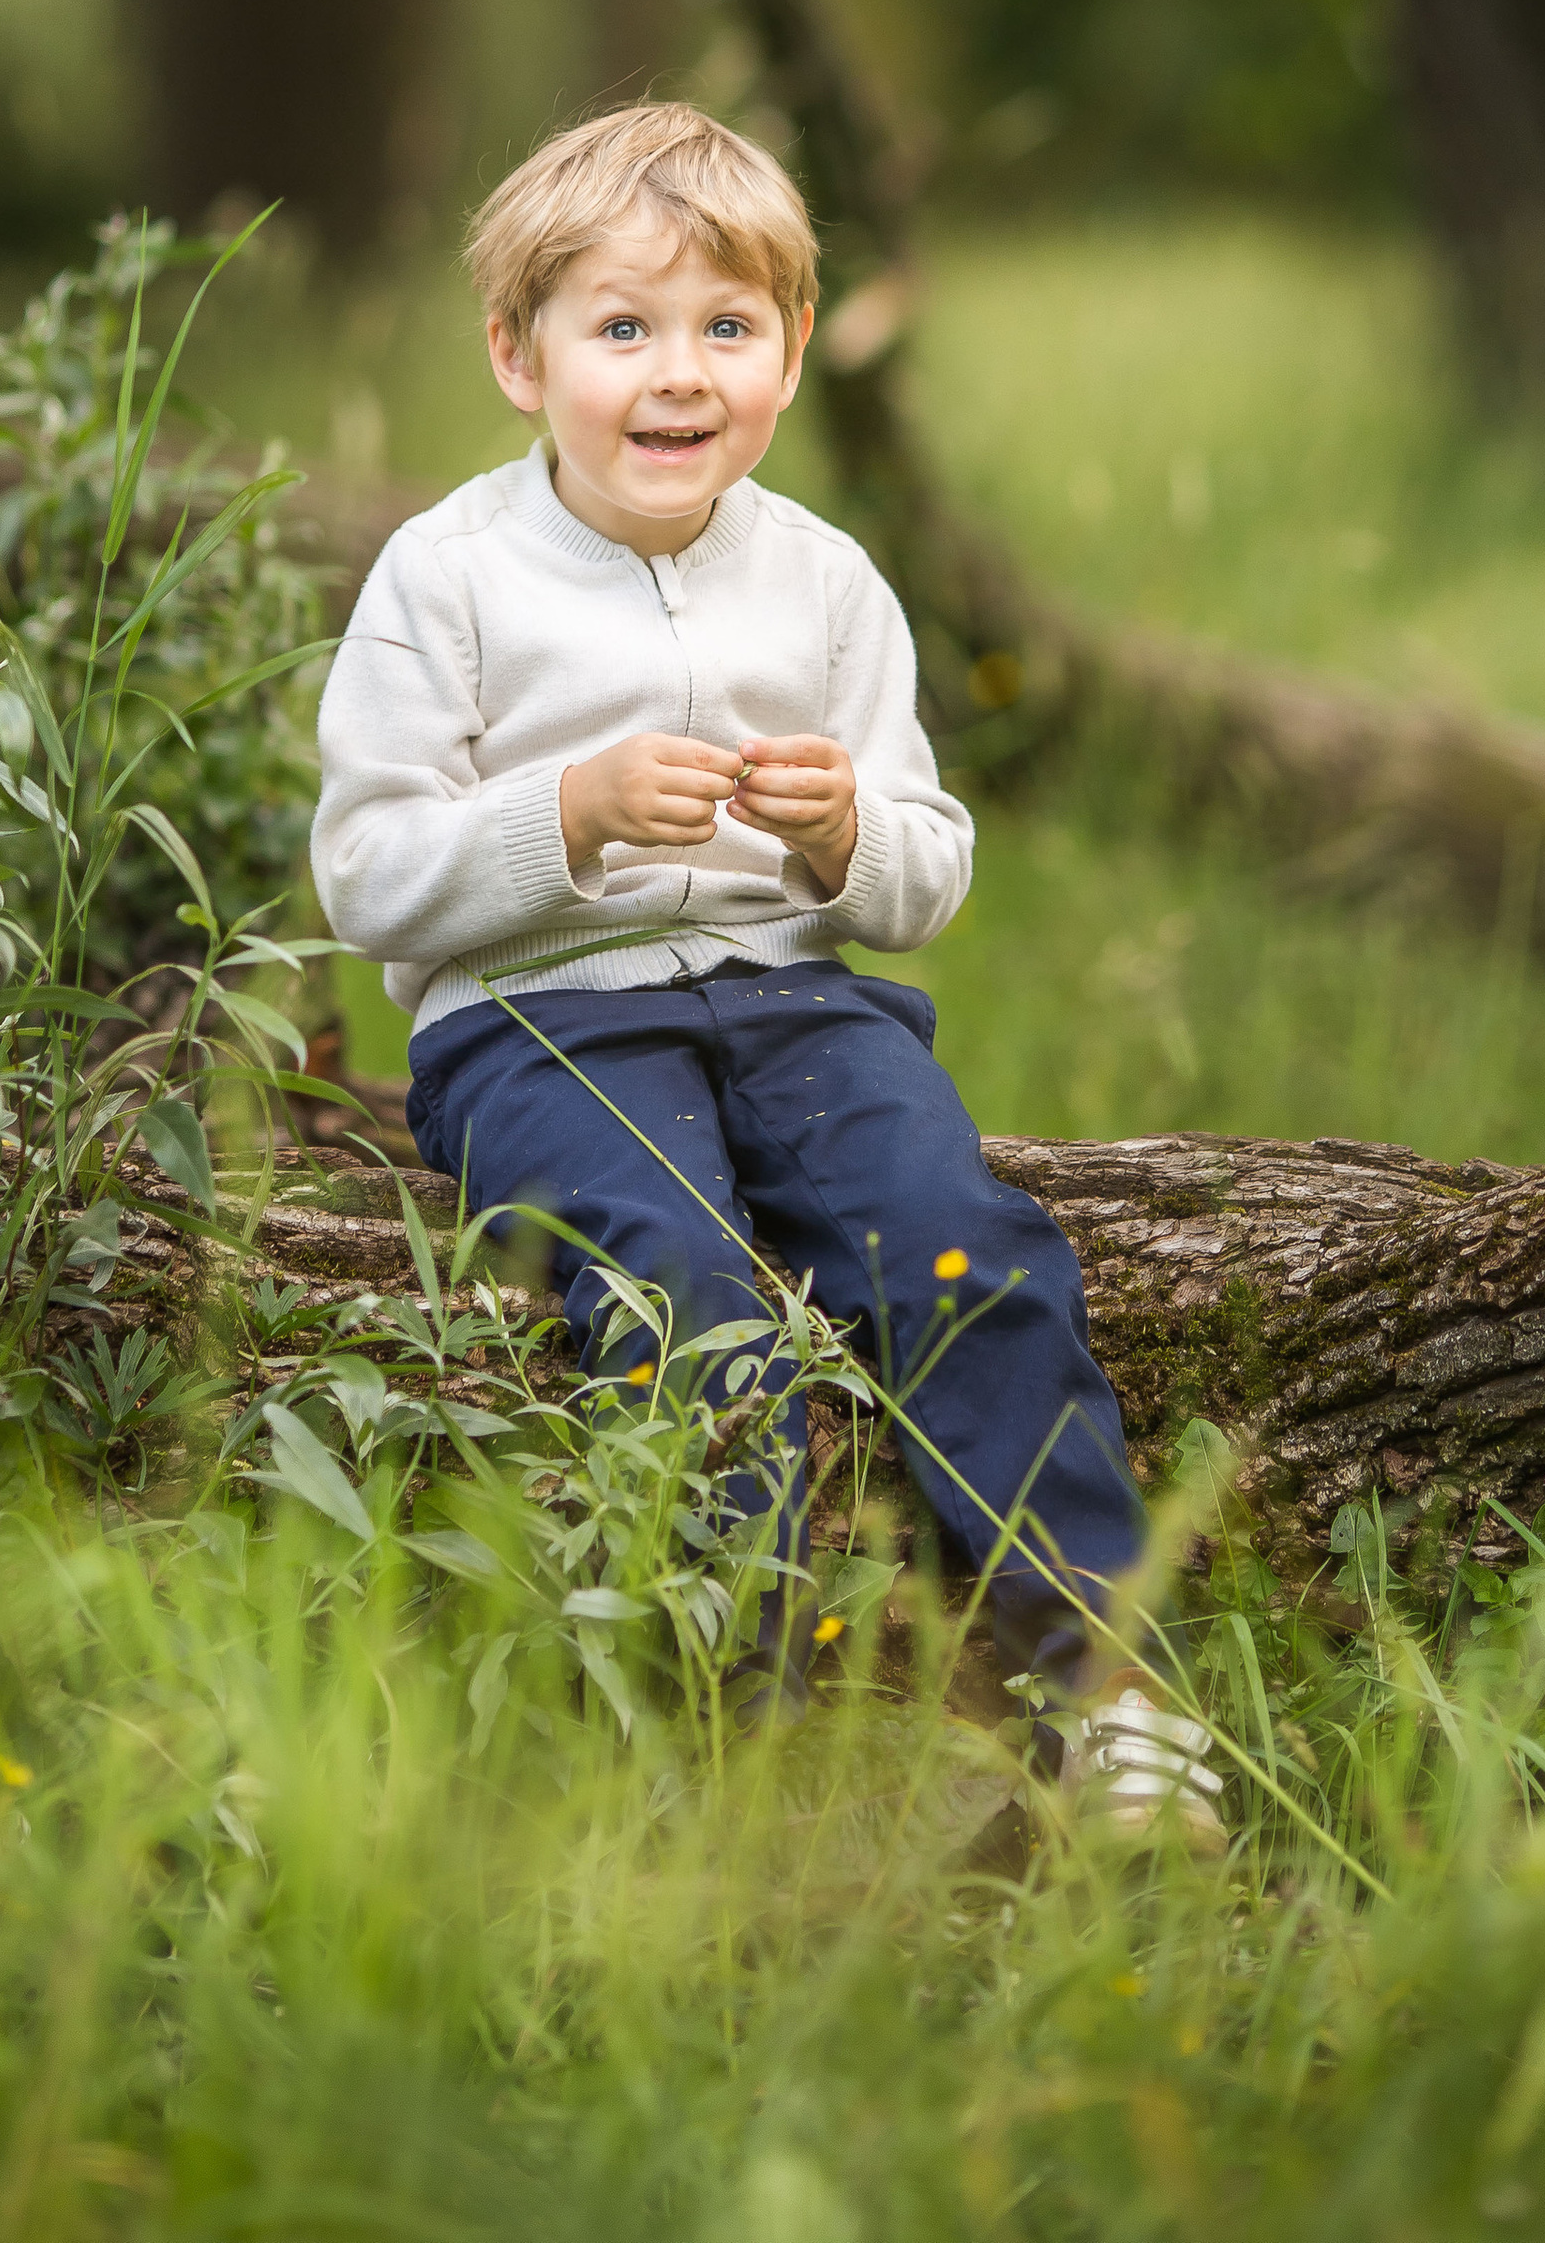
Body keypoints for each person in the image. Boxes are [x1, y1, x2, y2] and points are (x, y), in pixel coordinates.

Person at [311, 100, 1222, 1839]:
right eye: (623, 328)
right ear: (519, 354)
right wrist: (561, 815)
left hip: (803, 1005)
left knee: (971, 1254)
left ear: (794, 355)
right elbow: (366, 876)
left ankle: (1095, 1684)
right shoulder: (450, 579)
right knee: (684, 1303)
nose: (678, 375)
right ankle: (753, 1741)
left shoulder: (823, 582)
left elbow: (927, 872)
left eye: (728, 328)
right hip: (541, 1026)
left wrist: (841, 837)